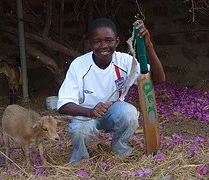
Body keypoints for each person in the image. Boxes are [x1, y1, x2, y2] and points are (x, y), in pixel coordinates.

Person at [57, 18, 165, 164]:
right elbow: (63, 105)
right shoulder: (79, 65)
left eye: (109, 40)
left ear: (117, 41)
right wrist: (90, 111)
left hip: (112, 113)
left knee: (129, 113)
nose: (104, 46)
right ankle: (81, 158)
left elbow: (159, 78)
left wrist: (149, 46)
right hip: (85, 114)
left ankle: (119, 148)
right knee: (78, 130)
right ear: (90, 43)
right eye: (97, 41)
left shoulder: (125, 61)